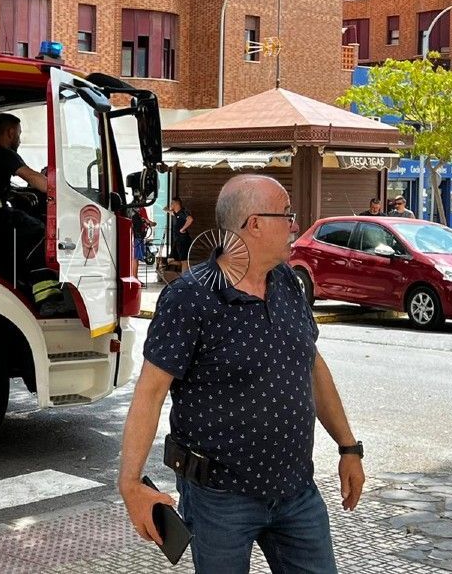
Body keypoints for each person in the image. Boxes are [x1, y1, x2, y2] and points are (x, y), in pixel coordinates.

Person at [119, 174, 365, 573]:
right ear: (254, 223)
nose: (294, 225)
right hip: (219, 498)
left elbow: (312, 365)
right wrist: (130, 484)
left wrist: (348, 447)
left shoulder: (286, 282)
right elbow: (150, 393)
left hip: (296, 491)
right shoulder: (190, 296)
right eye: (286, 215)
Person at [0, 113, 68, 315]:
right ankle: (47, 297)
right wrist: (64, 192)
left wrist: (14, 193)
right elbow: (31, 176)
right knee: (43, 233)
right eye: (19, 134)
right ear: (10, 132)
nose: (20, 139)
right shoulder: (3, 153)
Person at [167, 198, 195, 273]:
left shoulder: (183, 212)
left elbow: (190, 219)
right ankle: (189, 268)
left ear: (176, 204)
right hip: (177, 240)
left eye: (172, 203)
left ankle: (185, 279)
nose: (170, 205)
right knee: (170, 260)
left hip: (183, 240)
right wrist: (168, 209)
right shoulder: (176, 214)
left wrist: (182, 229)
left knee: (184, 261)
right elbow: (167, 210)